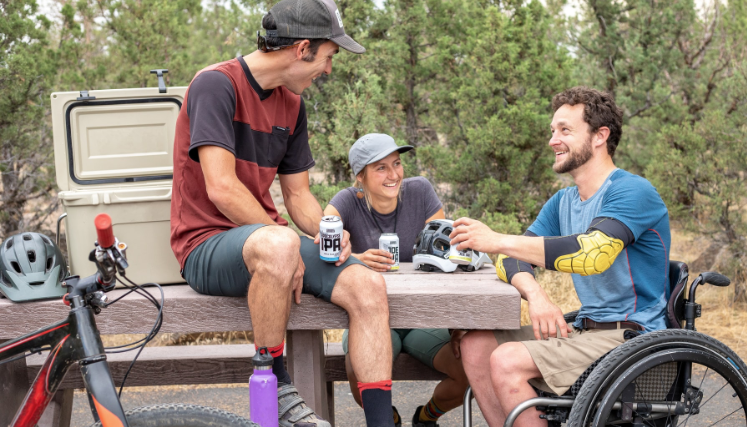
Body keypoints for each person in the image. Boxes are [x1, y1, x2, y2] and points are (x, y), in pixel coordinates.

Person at [169, 1, 397, 425]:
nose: (328, 69)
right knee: (278, 243)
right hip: (205, 246)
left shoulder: (292, 105)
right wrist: (287, 243)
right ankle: (276, 386)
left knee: (368, 287)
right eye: (329, 57)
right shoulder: (215, 85)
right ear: (303, 48)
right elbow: (220, 188)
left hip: (267, 241)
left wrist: (331, 229)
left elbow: (297, 196)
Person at [450, 87, 671, 427]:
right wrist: (536, 295)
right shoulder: (563, 202)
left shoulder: (632, 191)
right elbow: (509, 260)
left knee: (508, 360)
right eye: (553, 131)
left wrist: (496, 239)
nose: (553, 140)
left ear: (600, 136)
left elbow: (591, 254)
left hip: (631, 337)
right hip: (585, 329)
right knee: (476, 342)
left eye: (565, 130)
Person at [324, 134, 469, 427]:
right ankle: (389, 421)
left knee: (472, 369)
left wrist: (456, 325)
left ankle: (426, 417)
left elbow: (443, 261)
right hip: (368, 318)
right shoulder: (346, 201)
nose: (394, 175)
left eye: (397, 163)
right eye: (381, 168)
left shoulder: (421, 191)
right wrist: (354, 260)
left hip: (422, 319)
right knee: (358, 374)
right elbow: (322, 244)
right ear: (360, 176)